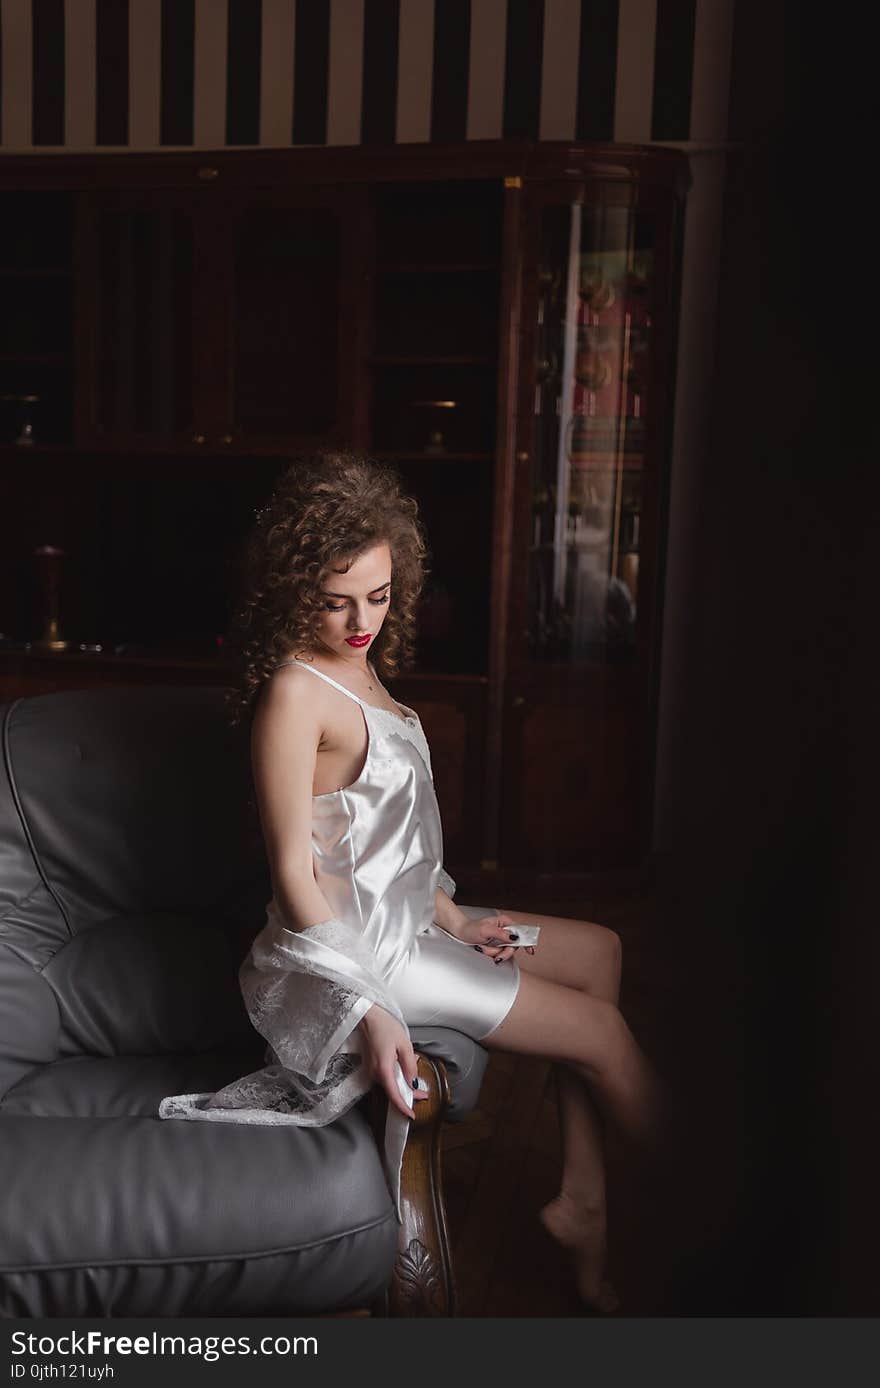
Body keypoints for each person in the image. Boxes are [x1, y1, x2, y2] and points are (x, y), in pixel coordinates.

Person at [162, 452, 667, 1313]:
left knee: (600, 950)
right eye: (335, 599)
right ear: (292, 588)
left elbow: (385, 842)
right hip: (372, 956)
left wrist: (453, 913)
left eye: (381, 594)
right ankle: (709, 1226)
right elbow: (294, 871)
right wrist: (367, 1002)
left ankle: (583, 1199)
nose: (361, 619)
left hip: (419, 923)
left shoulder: (362, 668)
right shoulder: (295, 692)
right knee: (607, 1036)